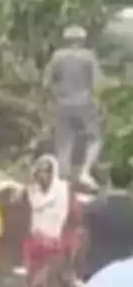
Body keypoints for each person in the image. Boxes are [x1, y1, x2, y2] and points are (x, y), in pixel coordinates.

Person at [43, 25, 103, 186]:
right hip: (85, 103)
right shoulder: (88, 57)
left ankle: (63, 177)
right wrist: (97, 101)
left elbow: (46, 83)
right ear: (82, 40)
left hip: (62, 104)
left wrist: (54, 97)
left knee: (64, 141)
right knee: (95, 138)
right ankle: (85, 172)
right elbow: (97, 83)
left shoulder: (57, 57)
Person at [23, 155, 80, 287]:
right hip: (36, 244)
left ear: (52, 172)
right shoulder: (32, 192)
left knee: (58, 282)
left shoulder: (63, 189)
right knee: (36, 284)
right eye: (39, 171)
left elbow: (73, 216)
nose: (43, 175)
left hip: (58, 244)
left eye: (46, 171)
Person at [79, 160, 133, 281]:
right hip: (127, 274)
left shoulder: (94, 208)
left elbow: (84, 240)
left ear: (109, 180)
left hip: (97, 271)